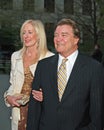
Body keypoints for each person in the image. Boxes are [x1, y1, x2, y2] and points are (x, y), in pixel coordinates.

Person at [26, 18, 104, 130]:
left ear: (76, 39)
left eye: (64, 35)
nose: (58, 39)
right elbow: (34, 110)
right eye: (56, 35)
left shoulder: (94, 68)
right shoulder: (43, 66)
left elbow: (97, 116)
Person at [4, 19, 54, 130]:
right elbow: (12, 84)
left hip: (40, 114)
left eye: (30, 32)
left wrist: (46, 96)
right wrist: (8, 97)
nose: (25, 36)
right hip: (19, 113)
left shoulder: (50, 58)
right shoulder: (15, 56)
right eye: (24, 32)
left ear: (39, 35)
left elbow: (58, 91)